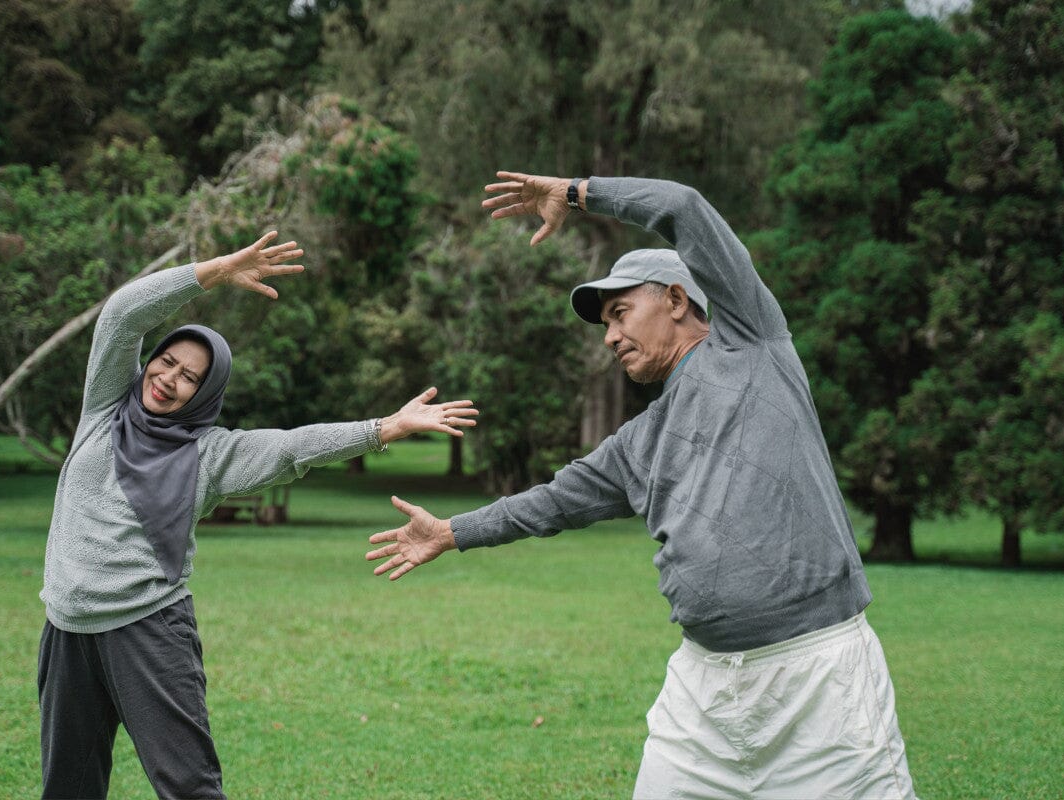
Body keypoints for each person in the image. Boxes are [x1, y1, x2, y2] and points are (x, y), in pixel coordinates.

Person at [366, 173, 918, 799]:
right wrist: (451, 531)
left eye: (620, 313)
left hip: (819, 679)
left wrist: (576, 193)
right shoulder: (641, 440)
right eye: (605, 323)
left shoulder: (752, 343)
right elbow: (552, 501)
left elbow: (682, 207)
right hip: (704, 692)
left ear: (678, 301)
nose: (609, 336)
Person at [37, 232, 478, 800]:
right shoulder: (103, 410)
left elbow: (292, 447)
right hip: (67, 629)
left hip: (147, 630)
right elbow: (122, 313)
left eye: (189, 377)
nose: (168, 379)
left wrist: (385, 428)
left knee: (189, 788)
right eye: (166, 362)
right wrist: (215, 271)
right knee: (67, 789)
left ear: (203, 392)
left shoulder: (210, 455)